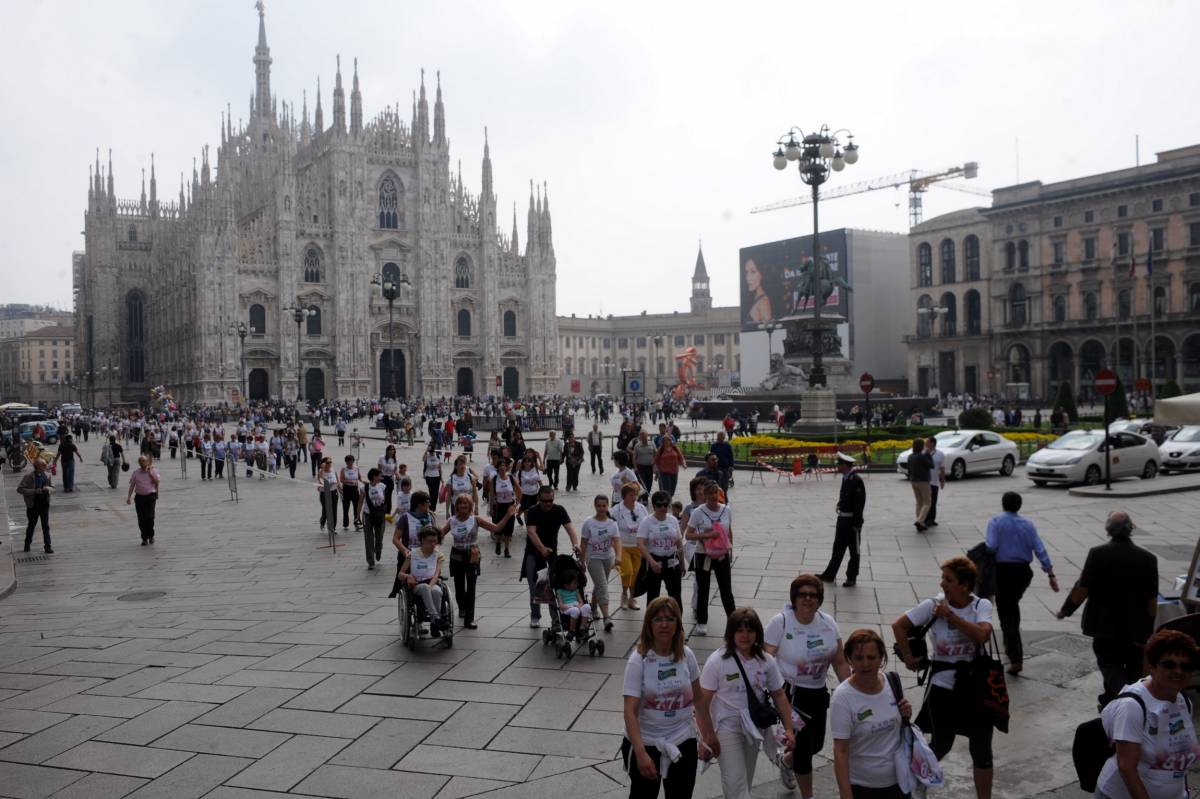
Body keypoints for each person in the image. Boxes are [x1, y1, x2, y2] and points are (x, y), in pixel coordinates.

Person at [893, 556, 995, 799]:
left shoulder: (981, 605)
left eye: (948, 580)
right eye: (943, 578)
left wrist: (951, 617)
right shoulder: (932, 606)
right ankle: (917, 779)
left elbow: (982, 635)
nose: (942, 584)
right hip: (943, 687)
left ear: (965, 584)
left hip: (977, 687)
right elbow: (898, 625)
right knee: (942, 743)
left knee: (981, 749)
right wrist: (908, 657)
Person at [1057, 510, 1159, 708]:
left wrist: (1066, 610)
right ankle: (1112, 700)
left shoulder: (1098, 553)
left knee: (1107, 662)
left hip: (1104, 625)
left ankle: (1124, 698)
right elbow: (1152, 599)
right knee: (1131, 666)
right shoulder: (1148, 558)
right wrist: (1148, 629)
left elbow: (1083, 588)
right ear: (1131, 529)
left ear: (1108, 529)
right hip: (1135, 625)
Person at [765, 575, 851, 797]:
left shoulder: (828, 623)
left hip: (818, 692)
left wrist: (852, 690)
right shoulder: (781, 622)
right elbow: (764, 659)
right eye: (802, 594)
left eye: (813, 595)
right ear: (794, 597)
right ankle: (808, 795)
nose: (808, 599)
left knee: (816, 746)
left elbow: (840, 661)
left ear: (820, 599)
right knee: (804, 751)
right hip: (791, 694)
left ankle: (786, 761)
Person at [698, 608, 795, 799]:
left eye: (750, 631)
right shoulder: (717, 661)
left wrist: (790, 729)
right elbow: (702, 703)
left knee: (745, 782)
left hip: (754, 727)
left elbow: (779, 695)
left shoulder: (766, 660)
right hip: (726, 727)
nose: (745, 636)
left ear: (757, 633)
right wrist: (705, 737)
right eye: (740, 630)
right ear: (731, 633)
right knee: (735, 782)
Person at [621, 596, 711, 799]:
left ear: (678, 624)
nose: (664, 624)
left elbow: (699, 698)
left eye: (670, 619)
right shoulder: (639, 659)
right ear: (649, 624)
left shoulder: (686, 655)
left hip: (682, 739)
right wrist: (640, 753)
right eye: (658, 619)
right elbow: (630, 712)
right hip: (646, 742)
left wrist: (708, 735)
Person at [1094, 629, 1200, 799]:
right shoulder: (1132, 706)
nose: (1178, 671)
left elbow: (1179, 763)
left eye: (1186, 666)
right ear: (1152, 666)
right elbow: (1127, 768)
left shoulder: (1183, 701)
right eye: (1169, 664)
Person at [830, 629, 913, 799]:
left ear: (881, 658)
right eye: (859, 658)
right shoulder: (842, 697)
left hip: (900, 783)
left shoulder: (893, 683)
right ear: (849, 660)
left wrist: (906, 713)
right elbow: (841, 751)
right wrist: (846, 795)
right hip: (863, 787)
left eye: (871, 657)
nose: (865, 664)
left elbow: (899, 728)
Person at [985, 491, 1058, 675]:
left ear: (1003, 504)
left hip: (1003, 572)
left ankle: (1015, 655)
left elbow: (991, 546)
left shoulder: (995, 522)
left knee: (1006, 612)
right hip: (1022, 573)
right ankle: (1012, 650)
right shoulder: (1028, 524)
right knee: (1011, 607)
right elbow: (1040, 549)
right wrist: (1050, 573)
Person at [440, 493, 512, 629]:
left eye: (465, 503)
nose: (463, 506)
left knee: (471, 587)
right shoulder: (452, 521)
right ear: (457, 506)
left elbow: (496, 529)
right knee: (459, 586)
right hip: (456, 555)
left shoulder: (476, 519)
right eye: (460, 503)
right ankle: (462, 606)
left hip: (472, 554)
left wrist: (508, 515)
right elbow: (439, 535)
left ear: (470, 506)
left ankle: (469, 619)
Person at [524, 485, 580, 628]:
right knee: (535, 586)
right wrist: (542, 549)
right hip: (534, 553)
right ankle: (535, 616)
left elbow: (570, 528)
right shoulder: (532, 512)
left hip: (552, 553)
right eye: (545, 501)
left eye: (551, 500)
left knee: (554, 586)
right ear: (539, 499)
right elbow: (531, 532)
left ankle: (556, 620)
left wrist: (575, 544)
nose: (548, 504)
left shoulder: (559, 510)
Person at [684, 481, 735, 636]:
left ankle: (733, 621)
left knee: (726, 589)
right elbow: (688, 534)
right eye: (710, 493)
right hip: (703, 554)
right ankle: (701, 621)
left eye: (715, 493)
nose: (713, 496)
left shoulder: (726, 510)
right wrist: (707, 535)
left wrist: (730, 548)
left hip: (721, 554)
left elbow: (729, 530)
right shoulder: (698, 512)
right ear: (704, 496)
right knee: (703, 587)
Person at [819, 453, 867, 588]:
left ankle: (851, 577)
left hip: (852, 522)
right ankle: (830, 574)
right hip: (842, 519)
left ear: (845, 465)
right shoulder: (846, 478)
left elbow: (859, 503)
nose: (837, 466)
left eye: (838, 464)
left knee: (854, 551)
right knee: (837, 548)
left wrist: (857, 523)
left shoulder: (856, 480)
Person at [637, 490, 686, 609]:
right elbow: (640, 543)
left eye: (666, 505)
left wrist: (682, 564)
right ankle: (650, 624)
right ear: (653, 506)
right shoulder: (647, 522)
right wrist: (651, 562)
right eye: (659, 505)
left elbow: (679, 543)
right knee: (653, 596)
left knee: (676, 596)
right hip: (655, 560)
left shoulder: (673, 520)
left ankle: (678, 625)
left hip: (672, 561)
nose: (663, 507)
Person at [580, 494, 621, 631]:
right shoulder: (589, 523)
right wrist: (582, 561)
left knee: (600, 584)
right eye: (599, 506)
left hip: (607, 557)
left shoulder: (612, 523)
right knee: (603, 585)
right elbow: (584, 543)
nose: (601, 508)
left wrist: (618, 556)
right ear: (595, 506)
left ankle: (593, 606)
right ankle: (606, 617)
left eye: (604, 506)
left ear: (607, 506)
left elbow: (617, 541)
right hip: (593, 558)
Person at [399, 526, 448, 635]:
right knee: (425, 587)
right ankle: (436, 618)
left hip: (431, 582)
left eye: (435, 541)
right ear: (422, 540)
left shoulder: (438, 555)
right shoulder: (412, 554)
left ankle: (434, 625)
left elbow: (436, 575)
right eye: (430, 541)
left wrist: (430, 586)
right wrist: (408, 576)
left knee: (437, 591)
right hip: (417, 585)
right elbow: (400, 574)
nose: (433, 544)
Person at [614, 482, 648, 611]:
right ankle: (623, 595)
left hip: (638, 546)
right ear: (624, 496)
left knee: (636, 574)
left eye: (635, 494)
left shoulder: (641, 508)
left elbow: (647, 522)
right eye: (631, 495)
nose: (634, 497)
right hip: (623, 545)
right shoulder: (617, 510)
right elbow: (611, 526)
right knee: (627, 571)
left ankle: (632, 598)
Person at [17, 459, 54, 554]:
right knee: (31, 525)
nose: (45, 467)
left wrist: (49, 488)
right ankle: (27, 544)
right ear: (37, 467)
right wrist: (34, 491)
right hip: (33, 505)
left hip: (44, 504)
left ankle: (48, 546)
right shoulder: (29, 477)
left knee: (45, 526)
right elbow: (20, 489)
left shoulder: (46, 475)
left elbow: (51, 487)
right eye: (43, 466)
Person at [126, 455, 161, 545]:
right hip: (139, 497)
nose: (142, 463)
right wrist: (129, 497)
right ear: (139, 463)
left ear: (147, 462)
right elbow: (132, 486)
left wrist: (150, 473)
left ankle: (151, 536)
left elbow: (157, 482)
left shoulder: (153, 471)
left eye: (144, 461)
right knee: (141, 519)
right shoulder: (136, 473)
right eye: (140, 461)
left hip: (150, 496)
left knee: (150, 517)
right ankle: (144, 538)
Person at [489, 457, 519, 558]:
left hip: (510, 505)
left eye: (504, 466)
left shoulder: (510, 477)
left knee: (509, 529)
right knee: (499, 528)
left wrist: (517, 503)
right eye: (500, 467)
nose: (502, 468)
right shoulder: (494, 479)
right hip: (500, 506)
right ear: (497, 469)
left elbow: (519, 490)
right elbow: (492, 495)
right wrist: (491, 508)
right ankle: (498, 542)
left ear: (506, 468)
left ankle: (506, 549)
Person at [360, 468, 388, 569]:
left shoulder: (382, 486)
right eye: (380, 476)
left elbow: (384, 500)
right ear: (374, 476)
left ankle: (378, 550)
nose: (381, 478)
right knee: (368, 538)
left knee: (379, 537)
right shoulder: (364, 488)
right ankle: (370, 561)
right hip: (368, 514)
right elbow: (360, 502)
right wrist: (357, 516)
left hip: (380, 514)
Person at [907, 439, 934, 532]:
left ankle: (920, 523)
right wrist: (928, 454)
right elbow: (931, 465)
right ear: (921, 446)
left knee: (919, 502)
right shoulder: (922, 456)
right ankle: (919, 521)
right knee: (927, 503)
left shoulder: (910, 456)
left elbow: (909, 470)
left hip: (913, 481)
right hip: (923, 482)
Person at [556, 568, 592, 635]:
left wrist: (579, 605)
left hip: (577, 606)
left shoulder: (576, 591)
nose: (577, 584)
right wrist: (570, 606)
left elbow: (581, 602)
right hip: (567, 608)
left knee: (587, 606)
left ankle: (582, 627)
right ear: (566, 585)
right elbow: (561, 606)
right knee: (575, 610)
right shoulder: (560, 592)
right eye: (574, 583)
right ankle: (572, 629)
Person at [924, 436, 945, 527]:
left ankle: (932, 519)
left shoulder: (940, 454)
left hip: (935, 481)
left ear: (932, 443)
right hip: (925, 482)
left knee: (933, 501)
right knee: (926, 502)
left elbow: (942, 468)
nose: (925, 443)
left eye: (927, 442)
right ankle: (925, 519)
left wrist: (942, 480)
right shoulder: (923, 453)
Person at [516, 453, 544, 524]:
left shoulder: (535, 470)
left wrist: (543, 492)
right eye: (525, 461)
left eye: (529, 461)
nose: (527, 463)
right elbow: (516, 485)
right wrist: (516, 496)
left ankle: (518, 515)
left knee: (531, 509)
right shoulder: (520, 472)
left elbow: (540, 482)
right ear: (523, 463)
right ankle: (529, 527)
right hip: (524, 495)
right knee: (527, 511)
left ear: (532, 462)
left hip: (535, 494)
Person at [339, 455, 364, 531]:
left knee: (356, 508)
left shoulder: (356, 468)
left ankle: (356, 523)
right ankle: (345, 524)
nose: (349, 463)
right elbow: (341, 480)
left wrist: (363, 481)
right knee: (346, 507)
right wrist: (349, 481)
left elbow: (359, 478)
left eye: (351, 461)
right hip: (346, 489)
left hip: (355, 489)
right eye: (348, 461)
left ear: (353, 461)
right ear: (346, 462)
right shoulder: (344, 469)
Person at [315, 457, 339, 534]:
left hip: (333, 492)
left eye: (330, 462)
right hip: (324, 493)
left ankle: (333, 528)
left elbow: (338, 482)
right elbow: (320, 480)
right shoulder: (321, 471)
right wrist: (322, 468)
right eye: (327, 463)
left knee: (334, 510)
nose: (329, 464)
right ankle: (322, 522)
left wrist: (341, 491)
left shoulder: (333, 470)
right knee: (326, 510)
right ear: (323, 463)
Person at [631, 431, 657, 499]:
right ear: (640, 438)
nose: (643, 438)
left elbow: (656, 454)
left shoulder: (652, 444)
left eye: (645, 436)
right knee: (643, 483)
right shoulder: (637, 446)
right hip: (641, 467)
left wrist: (655, 465)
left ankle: (646, 494)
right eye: (642, 437)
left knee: (649, 483)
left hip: (650, 467)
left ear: (647, 436)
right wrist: (635, 467)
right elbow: (634, 457)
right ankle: (644, 497)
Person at [422, 443, 443, 512]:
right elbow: (423, 459)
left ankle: (433, 508)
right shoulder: (427, 456)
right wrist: (426, 450)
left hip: (436, 476)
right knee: (431, 491)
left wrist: (441, 478)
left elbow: (440, 468)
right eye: (430, 452)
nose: (431, 453)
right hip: (428, 476)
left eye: (432, 452)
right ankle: (430, 507)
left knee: (436, 492)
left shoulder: (438, 456)